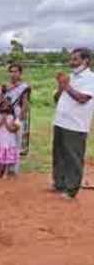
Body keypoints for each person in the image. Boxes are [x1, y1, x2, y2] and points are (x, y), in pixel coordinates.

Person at [53, 48, 94, 200]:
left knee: (73, 157)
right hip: (60, 122)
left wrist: (66, 86)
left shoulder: (90, 78)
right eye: (71, 59)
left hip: (76, 125)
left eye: (75, 59)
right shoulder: (70, 77)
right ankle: (59, 183)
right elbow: (57, 98)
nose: (71, 62)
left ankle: (71, 190)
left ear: (85, 61)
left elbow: (83, 98)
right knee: (59, 155)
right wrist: (60, 86)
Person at [5, 64, 31, 173]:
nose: (13, 74)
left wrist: (18, 119)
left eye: (16, 71)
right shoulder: (6, 86)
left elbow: (25, 105)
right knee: (7, 141)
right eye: (11, 71)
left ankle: (14, 169)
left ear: (20, 73)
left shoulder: (24, 87)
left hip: (17, 113)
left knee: (17, 141)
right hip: (6, 114)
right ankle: (6, 165)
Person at [0, 97, 21, 178]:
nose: (5, 108)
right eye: (3, 105)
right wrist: (1, 121)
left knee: (7, 157)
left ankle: (6, 172)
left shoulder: (13, 117)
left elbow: (13, 130)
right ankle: (0, 171)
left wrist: (6, 122)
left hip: (8, 139)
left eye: (7, 106)